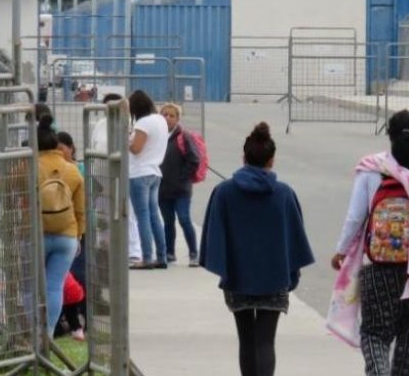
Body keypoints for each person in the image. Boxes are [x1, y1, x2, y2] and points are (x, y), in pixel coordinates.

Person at [326, 109, 409, 376]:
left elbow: (355, 218)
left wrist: (341, 251)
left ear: (390, 136)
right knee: (408, 347)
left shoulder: (370, 172)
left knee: (375, 335)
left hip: (378, 271)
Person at [200, 122, 314, 376]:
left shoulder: (224, 192)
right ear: (272, 160)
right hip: (274, 279)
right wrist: (291, 273)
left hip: (238, 276)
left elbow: (214, 235)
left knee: (246, 340)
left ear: (244, 157)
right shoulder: (284, 193)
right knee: (265, 341)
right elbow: (295, 238)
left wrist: (225, 268)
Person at [37, 114, 86, 337]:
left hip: (35, 233)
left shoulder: (27, 168)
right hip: (66, 235)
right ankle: (47, 333)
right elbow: (80, 209)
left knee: (30, 287)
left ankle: (32, 333)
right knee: (55, 286)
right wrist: (78, 236)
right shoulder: (73, 171)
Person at [92, 93, 142, 264]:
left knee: (127, 212)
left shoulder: (130, 125)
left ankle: (134, 251)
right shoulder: (99, 125)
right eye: (106, 107)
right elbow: (94, 146)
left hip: (123, 175)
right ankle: (104, 248)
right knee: (103, 213)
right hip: (101, 175)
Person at [127, 89, 170, 270]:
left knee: (142, 216)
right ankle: (161, 256)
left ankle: (146, 257)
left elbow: (136, 148)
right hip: (155, 172)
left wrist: (125, 138)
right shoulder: (160, 120)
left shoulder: (143, 123)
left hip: (139, 173)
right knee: (154, 216)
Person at [158, 103, 200, 266]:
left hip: (181, 189)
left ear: (177, 119)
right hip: (163, 188)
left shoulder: (184, 137)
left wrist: (183, 177)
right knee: (168, 221)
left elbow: (194, 159)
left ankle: (193, 253)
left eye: (171, 115)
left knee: (184, 219)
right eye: (165, 115)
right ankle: (170, 252)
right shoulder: (158, 136)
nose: (168, 118)